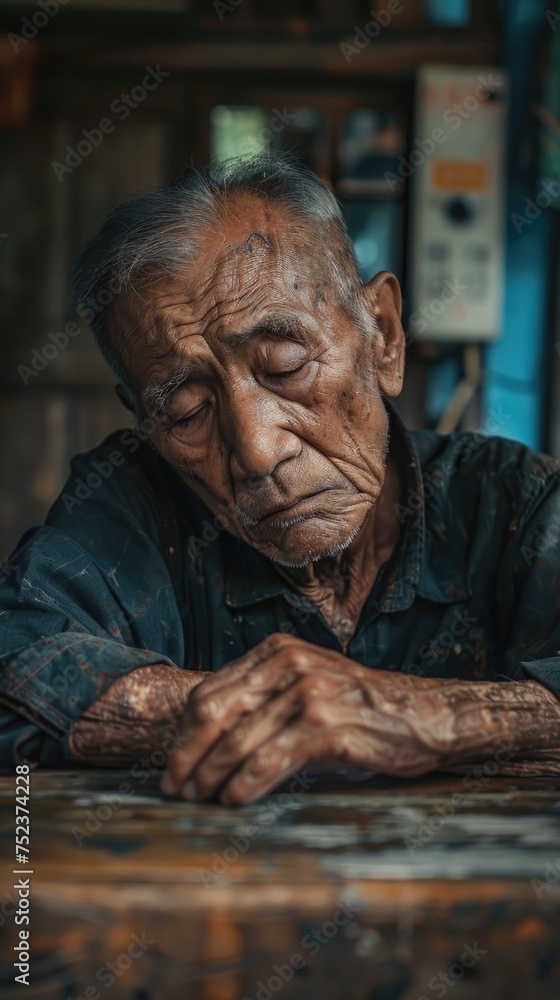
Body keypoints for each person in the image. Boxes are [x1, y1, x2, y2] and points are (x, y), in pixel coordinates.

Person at [1, 155, 560, 805]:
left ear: (382, 334)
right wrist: (267, 715)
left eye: (285, 366)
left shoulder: (517, 504)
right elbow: (16, 651)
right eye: (187, 411)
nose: (258, 452)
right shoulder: (132, 503)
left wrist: (434, 716)